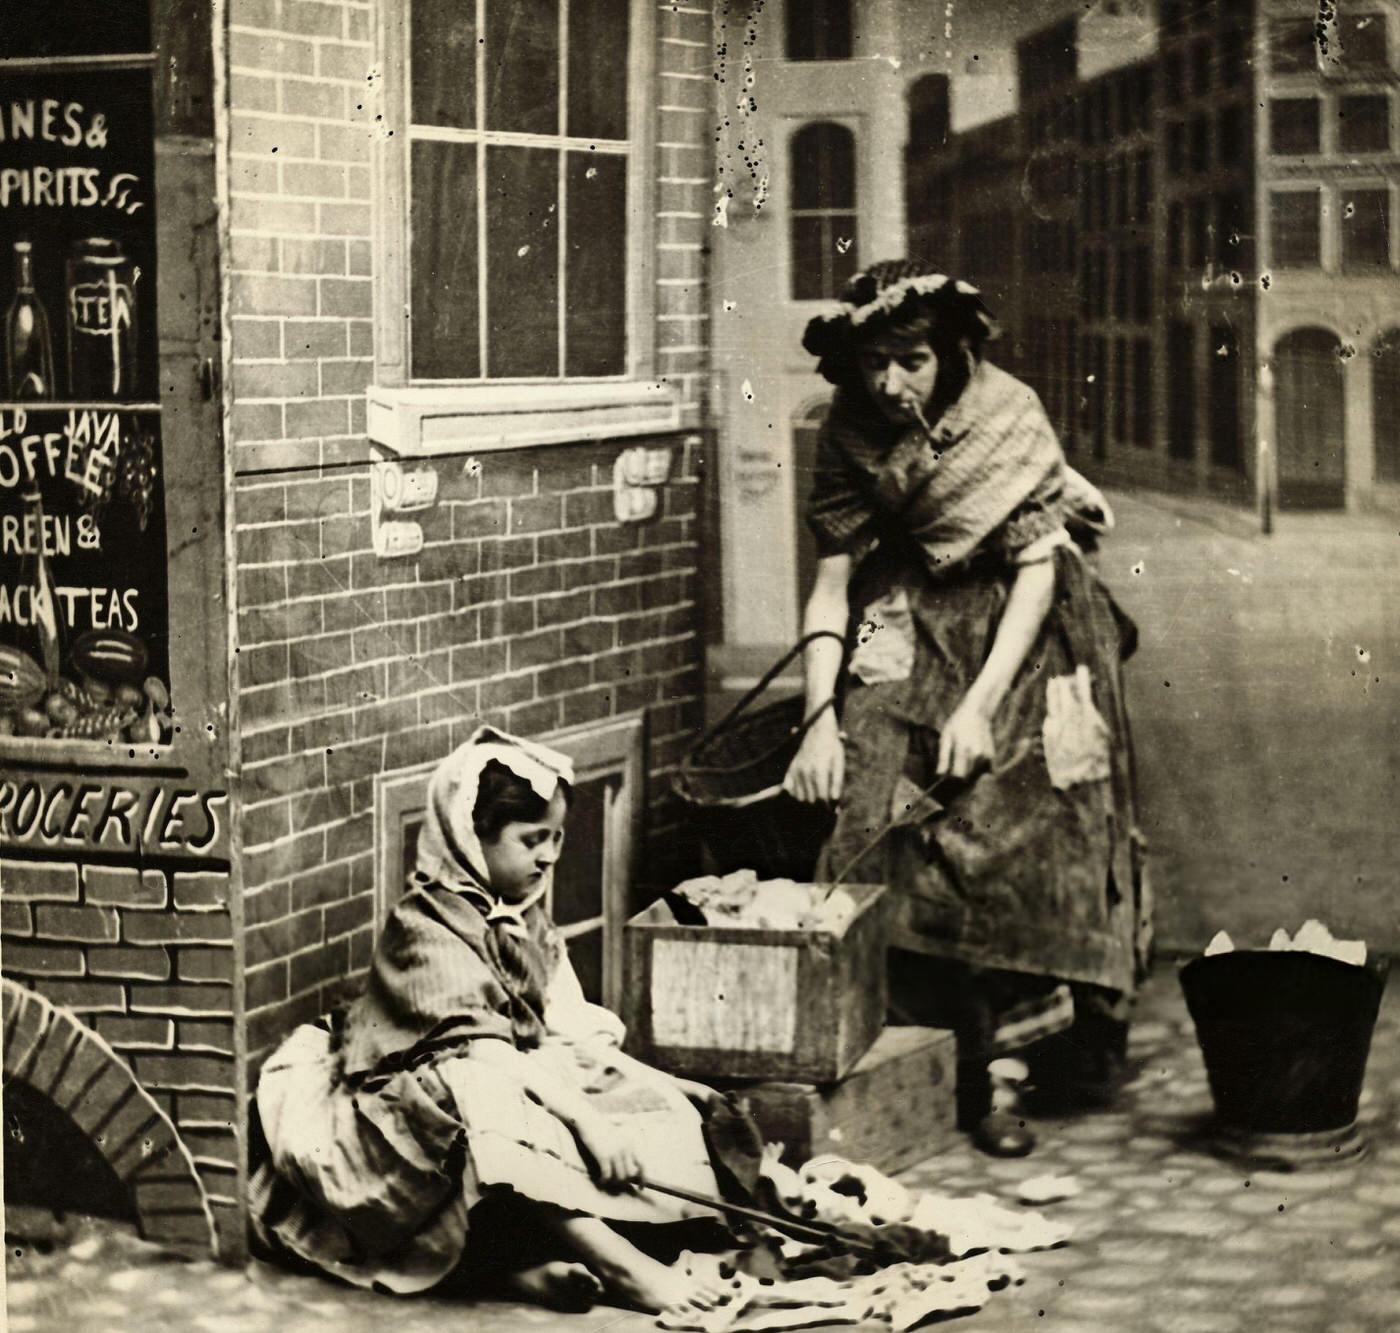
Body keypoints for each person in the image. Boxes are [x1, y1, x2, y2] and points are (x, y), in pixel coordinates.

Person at [783, 260, 1151, 1158]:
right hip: (906, 618)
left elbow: (1038, 567)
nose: (888, 383)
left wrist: (981, 707)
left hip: (1020, 633)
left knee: (1006, 826)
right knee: (871, 816)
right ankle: (909, 1061)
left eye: (908, 360)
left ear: (950, 349)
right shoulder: (852, 426)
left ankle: (1003, 1075)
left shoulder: (1007, 411)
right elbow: (832, 585)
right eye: (874, 364)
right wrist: (817, 718)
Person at [249, 726, 733, 1315]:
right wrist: (588, 1122)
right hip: (391, 1108)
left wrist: (657, 1081)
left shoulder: (519, 921)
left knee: (649, 1099)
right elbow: (479, 1051)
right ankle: (623, 1267)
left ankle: (509, 1267)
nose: (550, 854)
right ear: (474, 838)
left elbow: (564, 1026)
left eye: (556, 837)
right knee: (487, 1098)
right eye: (532, 839)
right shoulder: (424, 925)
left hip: (495, 1073)